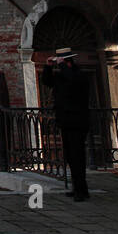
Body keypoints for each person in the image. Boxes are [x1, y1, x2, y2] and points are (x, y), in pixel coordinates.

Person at [41, 46, 91, 201]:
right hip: (66, 121)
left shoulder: (79, 76)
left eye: (62, 62)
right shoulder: (62, 77)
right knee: (70, 157)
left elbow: (73, 81)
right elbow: (47, 81)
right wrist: (48, 67)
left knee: (77, 157)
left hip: (78, 121)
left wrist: (62, 65)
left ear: (69, 62)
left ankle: (82, 191)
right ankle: (77, 188)